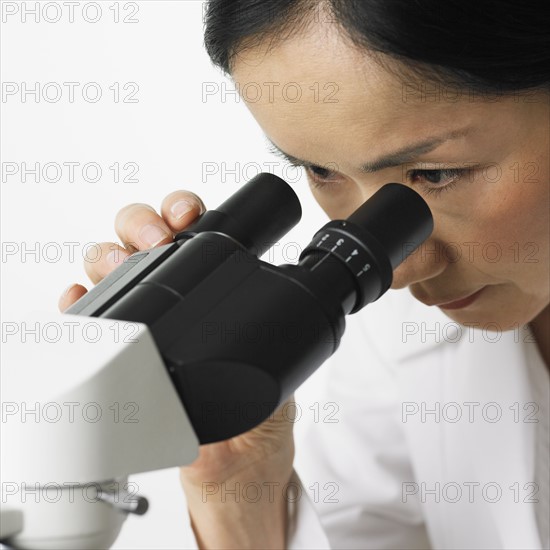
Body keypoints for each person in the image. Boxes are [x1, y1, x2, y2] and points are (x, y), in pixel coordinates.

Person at [59, 1, 550, 548]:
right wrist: (237, 482)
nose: (399, 272)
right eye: (319, 170)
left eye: (436, 173)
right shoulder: (397, 335)